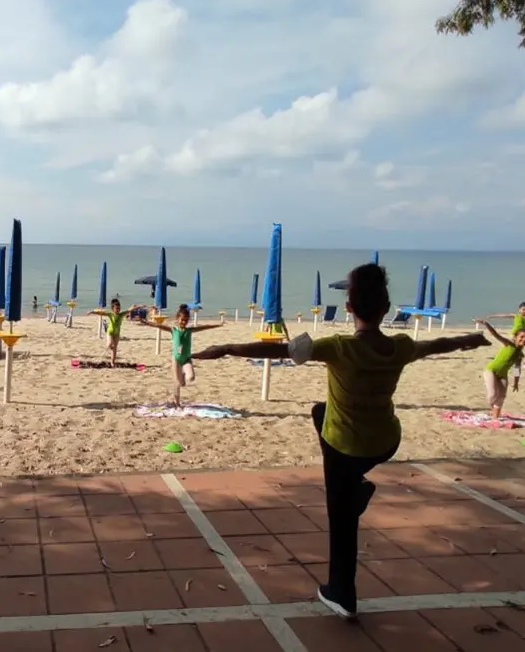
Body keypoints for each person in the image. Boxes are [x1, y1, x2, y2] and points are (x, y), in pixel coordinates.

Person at [191, 263, 489, 619]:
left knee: (342, 519)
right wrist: (469, 340)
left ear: (348, 307)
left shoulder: (339, 347)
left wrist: (226, 348)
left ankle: (342, 593)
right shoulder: (401, 346)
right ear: (386, 307)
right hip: (385, 442)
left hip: (346, 449)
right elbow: (437, 344)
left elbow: (280, 351)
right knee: (321, 410)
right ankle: (357, 489)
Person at [138, 303, 223, 407]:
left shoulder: (189, 330)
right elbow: (159, 326)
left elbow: (205, 327)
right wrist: (147, 323)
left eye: (186, 320)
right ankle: (177, 403)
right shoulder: (173, 330)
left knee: (191, 377)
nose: (184, 322)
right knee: (178, 383)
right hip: (176, 359)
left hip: (186, 359)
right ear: (177, 319)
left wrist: (218, 325)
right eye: (182, 320)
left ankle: (183, 373)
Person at [475, 318, 525, 420]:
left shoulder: (520, 354)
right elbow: (495, 335)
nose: (524, 339)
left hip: (503, 375)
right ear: (515, 337)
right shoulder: (509, 344)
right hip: (491, 371)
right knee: (492, 395)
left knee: (502, 396)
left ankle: (495, 418)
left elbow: (517, 369)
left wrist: (516, 382)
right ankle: (492, 409)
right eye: (522, 337)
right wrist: (486, 324)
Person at [88, 298, 138, 367]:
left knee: (115, 348)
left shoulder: (121, 315)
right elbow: (101, 313)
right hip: (110, 333)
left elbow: (128, 310)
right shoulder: (110, 314)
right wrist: (92, 312)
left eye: (119, 308)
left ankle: (112, 362)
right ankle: (109, 348)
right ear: (113, 309)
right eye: (116, 308)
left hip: (117, 333)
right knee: (109, 344)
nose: (118, 310)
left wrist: (134, 307)